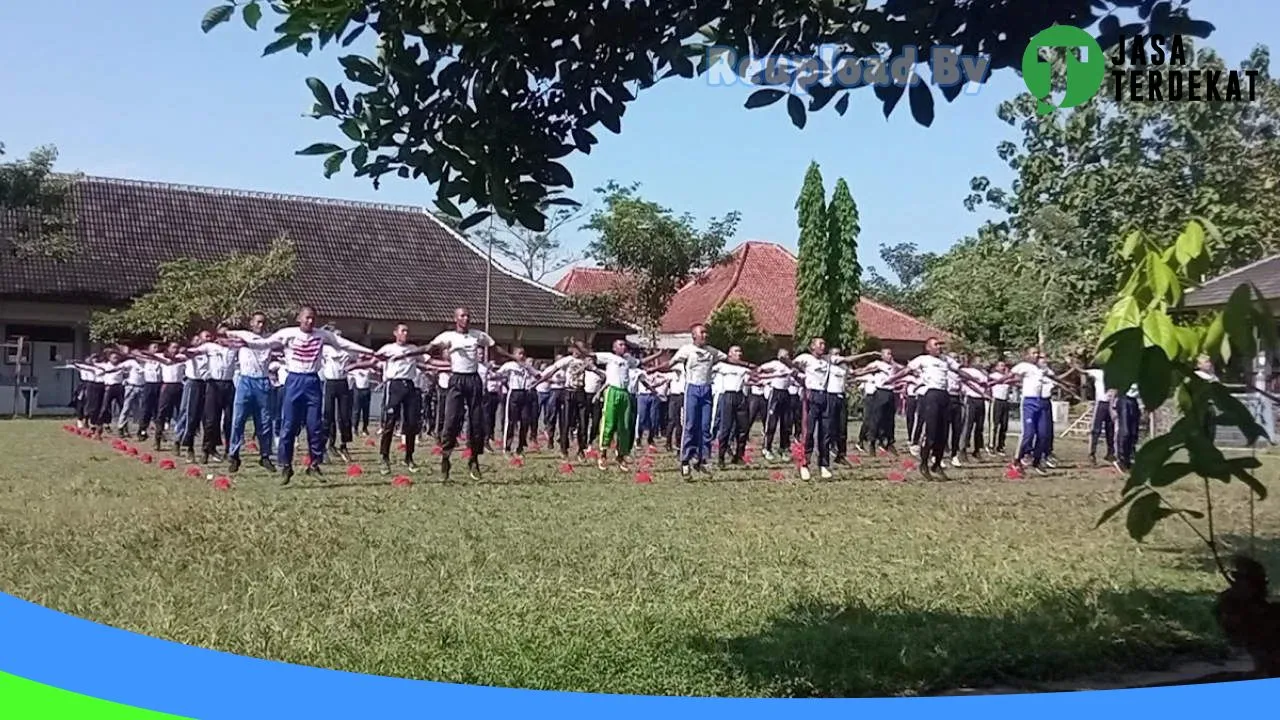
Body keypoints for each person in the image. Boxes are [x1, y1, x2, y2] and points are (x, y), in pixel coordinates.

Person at [225, 306, 377, 485]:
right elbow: (264, 343)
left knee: (315, 425)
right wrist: (240, 340)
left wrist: (370, 352)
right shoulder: (287, 333)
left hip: (312, 382)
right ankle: (286, 466)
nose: (310, 322)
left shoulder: (321, 335)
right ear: (299, 318)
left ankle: (314, 465)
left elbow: (343, 343)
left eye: (313, 318)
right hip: (294, 381)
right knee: (288, 425)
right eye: (307, 318)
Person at [419, 308, 512, 481]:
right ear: (455, 319)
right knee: (451, 420)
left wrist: (511, 356)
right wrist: (409, 353)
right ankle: (446, 460)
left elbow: (495, 347)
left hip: (474, 380)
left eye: (468, 315)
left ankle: (474, 460)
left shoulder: (478, 335)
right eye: (462, 315)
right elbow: (429, 347)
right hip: (457, 380)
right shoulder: (448, 336)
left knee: (477, 423)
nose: (466, 318)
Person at [885, 338, 985, 480]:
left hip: (945, 395)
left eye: (939, 344)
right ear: (928, 348)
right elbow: (907, 370)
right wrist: (893, 379)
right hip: (931, 395)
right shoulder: (923, 359)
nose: (939, 347)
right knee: (931, 432)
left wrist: (974, 380)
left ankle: (937, 463)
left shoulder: (946, 360)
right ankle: (924, 463)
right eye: (935, 345)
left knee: (943, 434)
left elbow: (959, 371)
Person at [650, 324, 742, 477]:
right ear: (694, 335)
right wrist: (653, 369)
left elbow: (729, 359)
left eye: (706, 332)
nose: (705, 335)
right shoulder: (686, 350)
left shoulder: (712, 351)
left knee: (705, 426)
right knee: (690, 425)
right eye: (702, 332)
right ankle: (685, 460)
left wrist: (749, 365)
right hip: (692, 389)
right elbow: (670, 364)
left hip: (706, 390)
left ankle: (702, 459)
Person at [360, 323, 422, 475]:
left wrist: (446, 366)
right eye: (402, 331)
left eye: (407, 331)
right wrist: (355, 366)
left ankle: (409, 457)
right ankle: (384, 457)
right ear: (395, 333)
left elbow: (427, 362)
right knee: (390, 423)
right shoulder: (388, 348)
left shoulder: (413, 350)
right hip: (393, 386)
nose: (405, 334)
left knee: (411, 424)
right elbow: (373, 361)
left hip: (409, 385)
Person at [787, 338, 849, 481]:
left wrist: (868, 355)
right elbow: (791, 369)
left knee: (825, 432)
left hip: (825, 395)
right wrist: (803, 382)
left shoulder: (828, 359)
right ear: (812, 347)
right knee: (808, 431)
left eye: (824, 343)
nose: (823, 346)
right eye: (820, 344)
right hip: (811, 396)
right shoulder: (805, 358)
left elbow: (847, 359)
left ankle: (824, 464)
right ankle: (804, 464)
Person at [574, 338, 640, 472]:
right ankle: (603, 454)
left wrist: (658, 355)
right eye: (620, 345)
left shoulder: (628, 359)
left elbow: (642, 362)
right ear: (614, 348)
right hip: (612, 391)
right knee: (608, 423)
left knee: (624, 425)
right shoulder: (609, 357)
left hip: (624, 393)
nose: (623, 347)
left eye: (624, 345)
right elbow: (590, 355)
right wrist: (577, 345)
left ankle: (620, 455)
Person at [223, 313, 277, 474]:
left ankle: (265, 455)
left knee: (265, 422)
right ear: (251, 323)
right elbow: (224, 333)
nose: (261, 325)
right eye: (258, 322)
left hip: (263, 381)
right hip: (246, 381)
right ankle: (234, 455)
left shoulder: (269, 339)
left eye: (263, 322)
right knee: (238, 420)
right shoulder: (243, 334)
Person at [495, 347, 541, 457]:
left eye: (523, 354)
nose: (522, 356)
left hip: (525, 394)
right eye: (519, 354)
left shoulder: (526, 365)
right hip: (514, 394)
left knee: (525, 421)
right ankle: (507, 448)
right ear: (514, 355)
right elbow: (498, 374)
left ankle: (520, 447)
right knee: (511, 422)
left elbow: (537, 375)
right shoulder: (510, 365)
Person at [320, 333, 356, 462]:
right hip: (330, 383)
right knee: (328, 415)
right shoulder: (325, 350)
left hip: (343, 383)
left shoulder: (348, 351)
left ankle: (343, 445)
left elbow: (359, 358)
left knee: (345, 416)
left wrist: (352, 366)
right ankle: (324, 446)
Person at [1080, 362, 1116, 466]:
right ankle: (1091, 453)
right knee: (1095, 429)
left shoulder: (1116, 375)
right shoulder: (1098, 373)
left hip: (1112, 403)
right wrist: (1074, 365)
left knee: (1111, 429)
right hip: (1101, 403)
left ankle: (1111, 452)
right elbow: (1083, 371)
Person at [957, 355, 990, 464]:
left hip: (981, 400)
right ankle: (962, 450)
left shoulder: (983, 373)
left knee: (979, 427)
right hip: (971, 399)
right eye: (979, 360)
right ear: (973, 362)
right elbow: (967, 383)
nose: (981, 362)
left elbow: (986, 386)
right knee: (967, 426)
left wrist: (987, 394)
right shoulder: (967, 371)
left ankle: (977, 449)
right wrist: (981, 392)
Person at [988, 359, 1012, 455]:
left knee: (1004, 425)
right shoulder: (993, 376)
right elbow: (990, 383)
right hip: (996, 400)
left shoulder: (1008, 377)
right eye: (1001, 365)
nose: (1003, 367)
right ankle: (991, 445)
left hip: (1005, 401)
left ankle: (1001, 446)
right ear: (996, 367)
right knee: (994, 424)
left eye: (1004, 365)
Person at [350, 361, 376, 436]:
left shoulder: (368, 369)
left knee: (366, 411)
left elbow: (375, 372)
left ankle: (365, 428)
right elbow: (348, 375)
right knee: (356, 411)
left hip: (366, 390)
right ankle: (355, 428)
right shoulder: (355, 370)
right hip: (358, 391)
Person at [663, 365, 685, 452]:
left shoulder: (685, 374)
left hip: (682, 396)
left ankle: (678, 442)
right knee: (672, 420)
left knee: (680, 421)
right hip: (673, 397)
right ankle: (668, 442)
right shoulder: (672, 374)